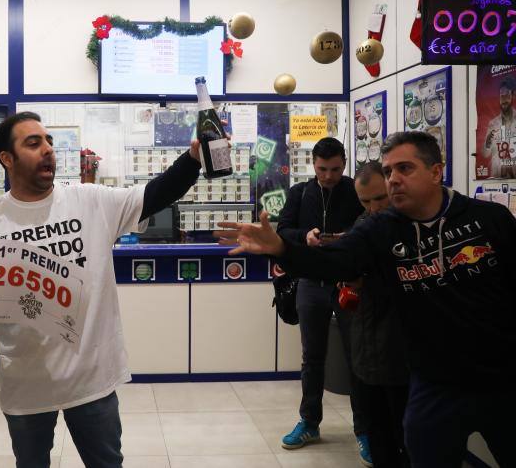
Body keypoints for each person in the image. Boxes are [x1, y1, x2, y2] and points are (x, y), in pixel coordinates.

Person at [216, 131, 516, 468]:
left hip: (503, 378)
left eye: (405, 168)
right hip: (434, 384)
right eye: (389, 172)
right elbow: (334, 261)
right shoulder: (381, 229)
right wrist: (283, 249)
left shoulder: (489, 220)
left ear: (436, 171)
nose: (394, 180)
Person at [0, 111, 203, 468]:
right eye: (33, 143)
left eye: (49, 141)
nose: (48, 150)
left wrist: (193, 159)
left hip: (92, 376)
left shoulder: (90, 201)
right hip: (27, 379)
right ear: (7, 158)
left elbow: (157, 194)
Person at [275, 137, 371, 465]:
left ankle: (365, 430)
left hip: (348, 283)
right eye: (322, 169)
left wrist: (350, 236)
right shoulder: (300, 193)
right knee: (312, 359)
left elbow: (372, 224)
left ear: (344, 164)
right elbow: (283, 230)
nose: (329, 176)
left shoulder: (356, 190)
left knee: (356, 357)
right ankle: (309, 423)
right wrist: (306, 236)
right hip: (311, 284)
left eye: (335, 169)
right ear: (312, 164)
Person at [349, 162, 410, 468]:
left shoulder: (413, 226)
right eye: (365, 201)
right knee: (380, 435)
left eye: (378, 198)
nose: (373, 208)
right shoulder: (362, 228)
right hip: (369, 347)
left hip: (408, 353)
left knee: (410, 435)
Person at [481, 77, 516, 178]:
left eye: (507, 95)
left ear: (512, 96)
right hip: (497, 179)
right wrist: (487, 143)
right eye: (502, 96)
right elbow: (485, 154)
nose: (504, 100)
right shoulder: (493, 123)